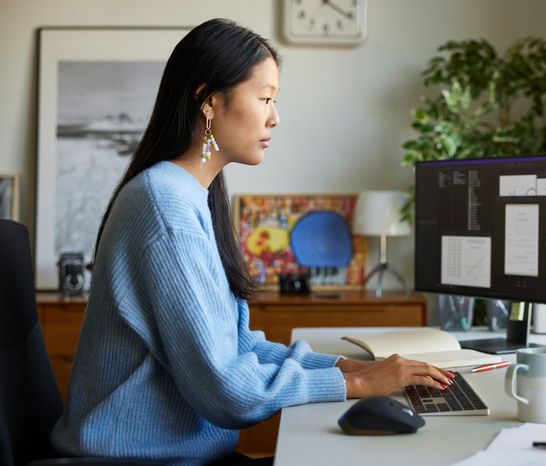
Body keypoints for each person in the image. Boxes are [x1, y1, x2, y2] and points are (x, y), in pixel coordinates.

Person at [50, 18, 453, 466]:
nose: (275, 117)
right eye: (264, 99)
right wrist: (356, 386)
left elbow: (237, 347)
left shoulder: (187, 196)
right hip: (141, 459)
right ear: (210, 101)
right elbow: (228, 393)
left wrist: (350, 368)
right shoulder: (164, 207)